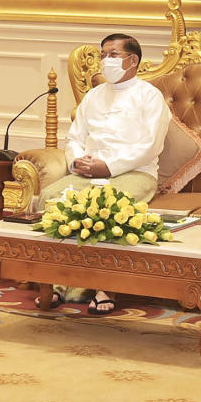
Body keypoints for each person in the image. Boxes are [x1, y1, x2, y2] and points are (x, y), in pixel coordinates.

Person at [36, 33, 171, 315]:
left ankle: (104, 287)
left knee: (105, 205)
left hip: (133, 172)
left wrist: (108, 167)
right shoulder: (94, 96)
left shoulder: (149, 96)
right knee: (50, 197)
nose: (105, 61)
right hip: (88, 171)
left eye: (113, 55)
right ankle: (55, 284)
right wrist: (77, 163)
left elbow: (150, 146)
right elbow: (74, 138)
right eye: (102, 55)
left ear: (132, 61)